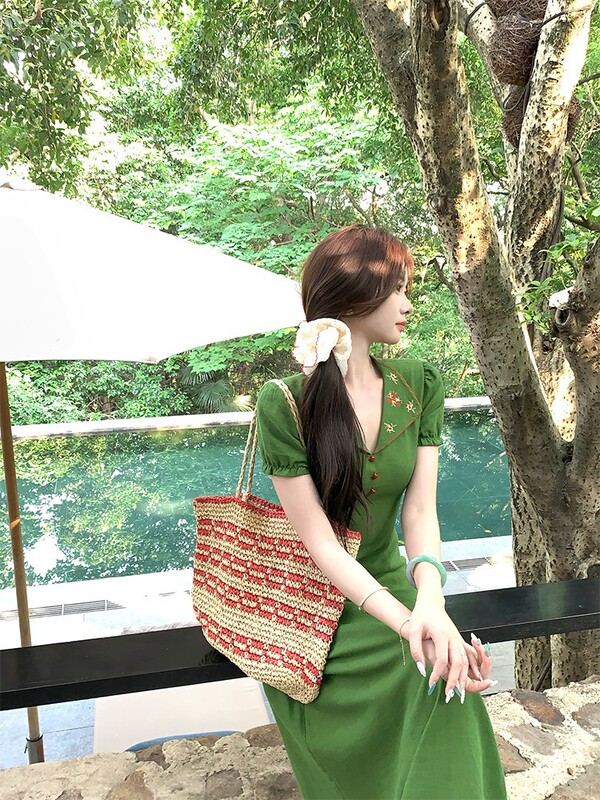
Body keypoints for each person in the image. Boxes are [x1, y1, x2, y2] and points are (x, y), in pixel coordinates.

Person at [254, 224, 507, 800]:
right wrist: (409, 625)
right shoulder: (284, 403)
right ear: (352, 294)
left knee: (444, 677)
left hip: (394, 584)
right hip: (315, 612)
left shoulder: (418, 383)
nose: (407, 304)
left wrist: (431, 607)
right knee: (428, 670)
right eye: (396, 289)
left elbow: (419, 513)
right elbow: (321, 544)